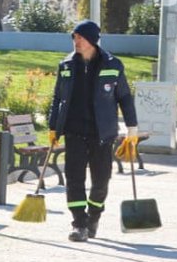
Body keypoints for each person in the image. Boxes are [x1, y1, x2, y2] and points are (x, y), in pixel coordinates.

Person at [47, 19, 138, 242]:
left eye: (80, 37)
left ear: (92, 40)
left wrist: (132, 128)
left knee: (101, 180)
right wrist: (53, 127)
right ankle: (79, 224)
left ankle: (94, 216)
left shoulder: (113, 65)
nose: (76, 41)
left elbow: (124, 97)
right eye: (74, 38)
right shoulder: (66, 65)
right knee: (74, 178)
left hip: (102, 133)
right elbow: (58, 98)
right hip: (74, 131)